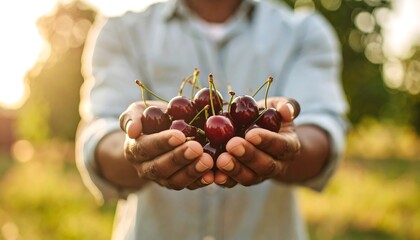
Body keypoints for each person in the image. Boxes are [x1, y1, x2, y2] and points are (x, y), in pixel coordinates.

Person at [76, 0, 348, 239]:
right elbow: (100, 131)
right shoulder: (122, 31)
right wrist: (135, 149)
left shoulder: (302, 31)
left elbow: (322, 130)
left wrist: (288, 147)